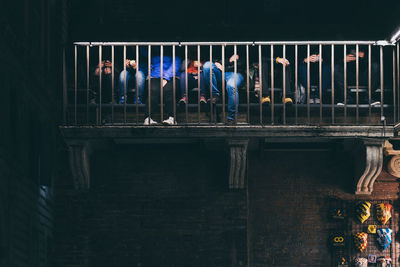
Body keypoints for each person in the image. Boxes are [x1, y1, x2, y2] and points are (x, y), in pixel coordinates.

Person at [202, 48, 244, 124]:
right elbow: (213, 62)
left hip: (235, 73)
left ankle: (232, 118)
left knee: (231, 86)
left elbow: (241, 64)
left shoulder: (239, 45)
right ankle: (215, 95)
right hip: (220, 73)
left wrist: (223, 66)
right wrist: (228, 61)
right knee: (207, 65)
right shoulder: (216, 45)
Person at [144, 48, 181, 125]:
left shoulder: (173, 49)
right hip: (154, 76)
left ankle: (172, 118)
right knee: (153, 90)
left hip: (171, 76)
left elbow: (176, 64)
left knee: (168, 90)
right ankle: (148, 118)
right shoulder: (152, 50)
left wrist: (165, 77)